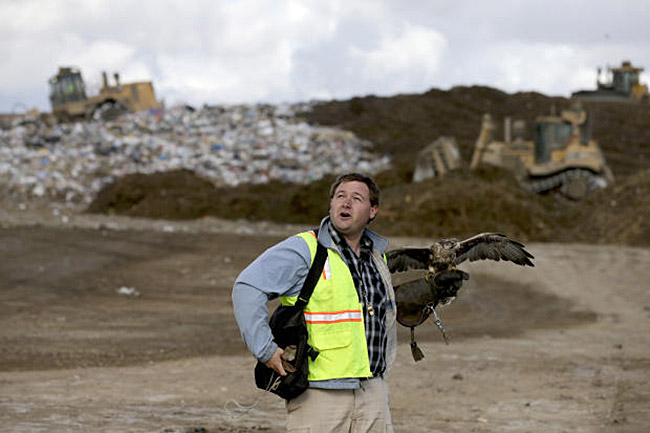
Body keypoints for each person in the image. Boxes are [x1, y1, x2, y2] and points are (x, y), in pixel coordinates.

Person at [232, 172, 465, 433]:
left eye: (357, 198)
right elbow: (247, 287)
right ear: (331, 204)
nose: (346, 203)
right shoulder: (306, 249)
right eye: (340, 196)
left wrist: (430, 292)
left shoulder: (377, 258)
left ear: (372, 211)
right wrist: (264, 349)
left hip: (373, 391)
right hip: (319, 395)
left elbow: (377, 313)